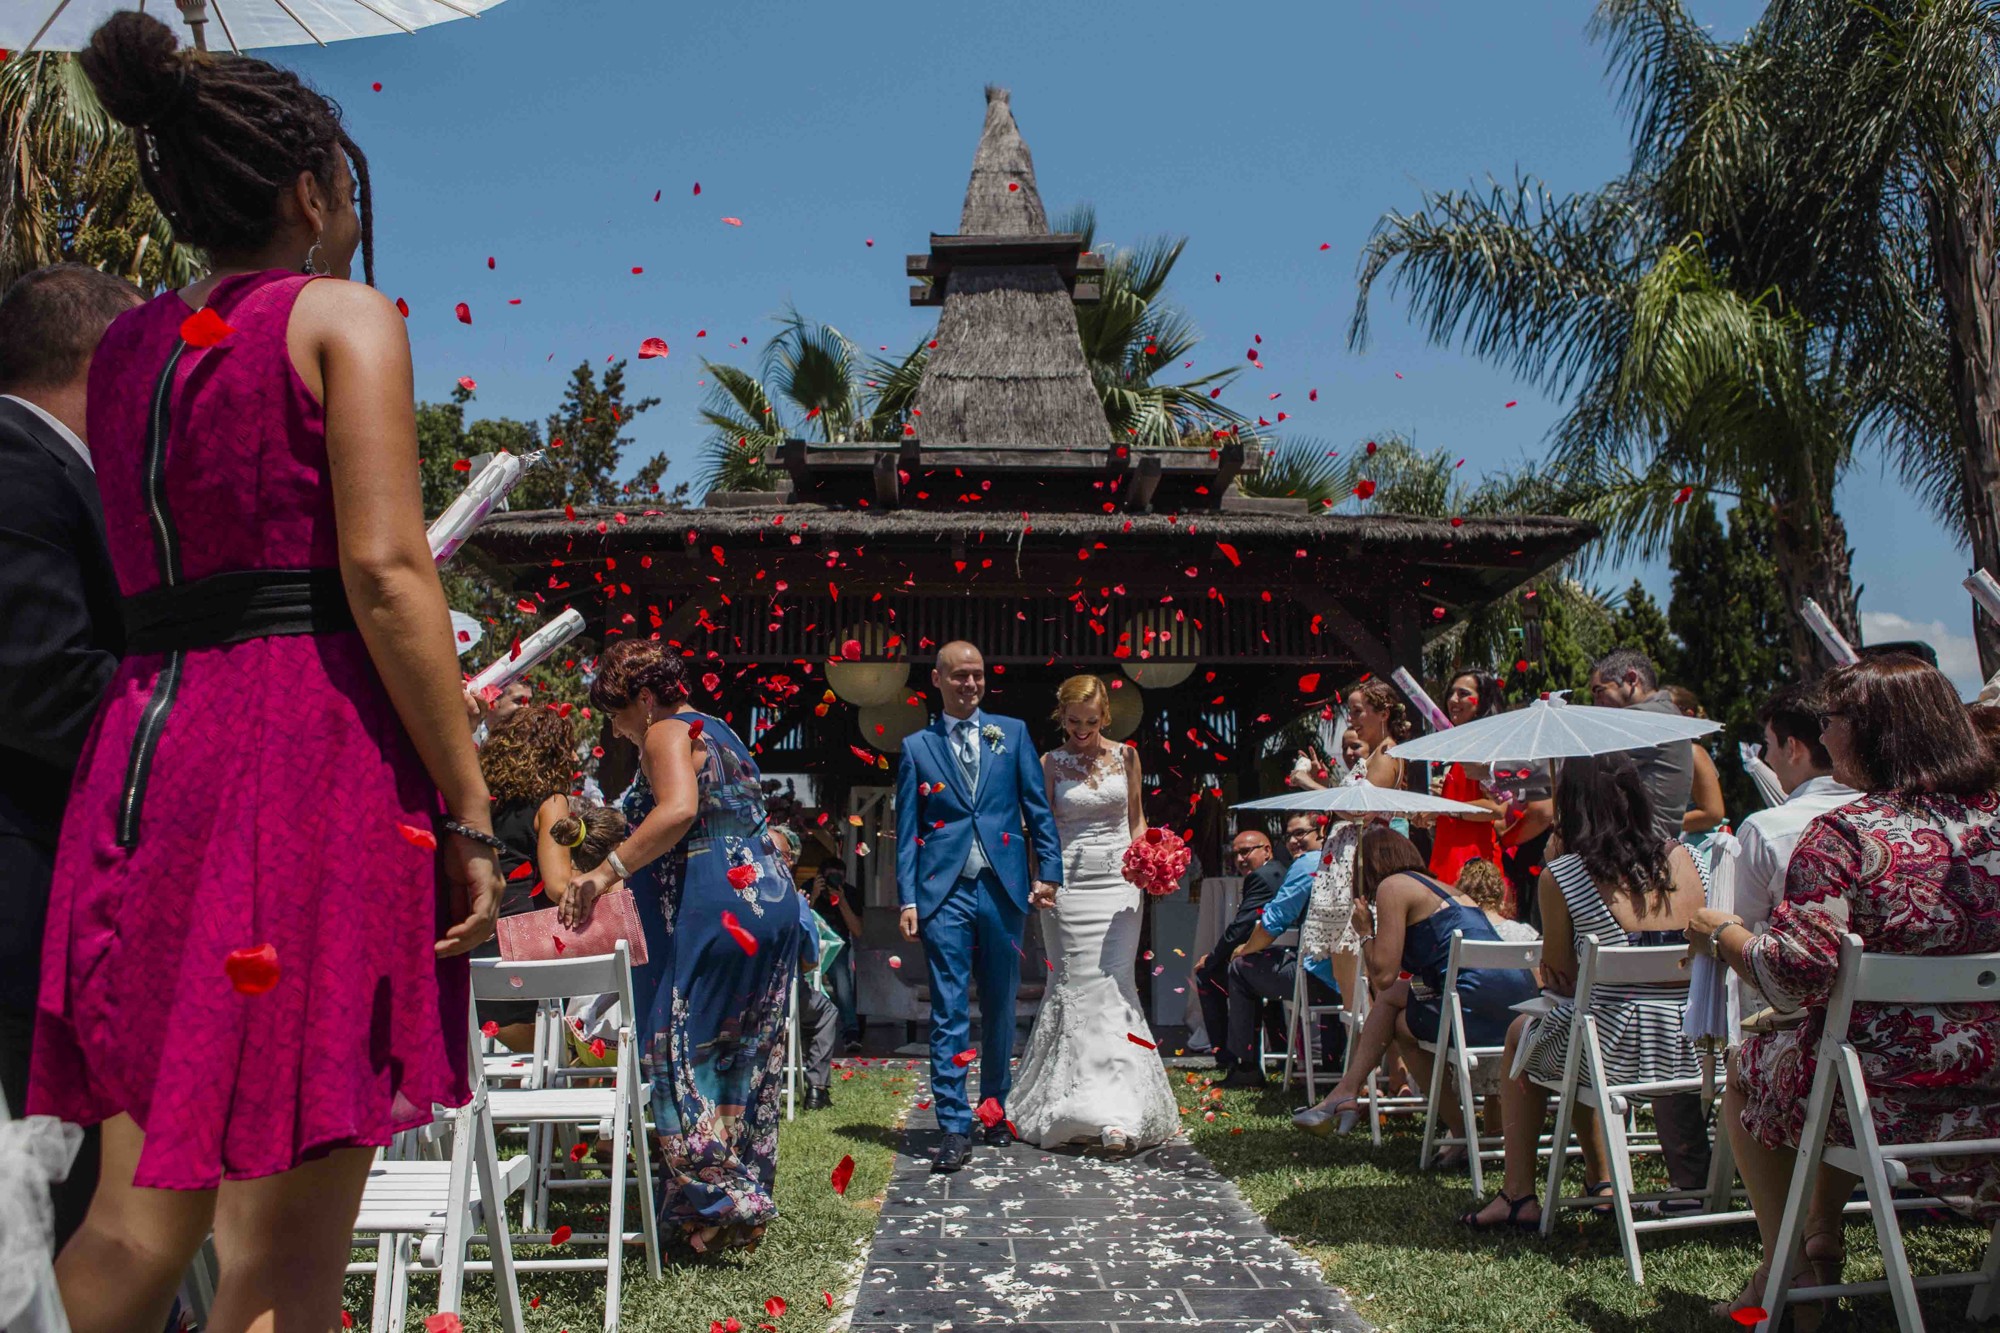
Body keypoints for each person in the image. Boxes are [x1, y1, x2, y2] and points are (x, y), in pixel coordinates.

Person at [33, 16, 505, 1331]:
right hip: (301, 756)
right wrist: (471, 810)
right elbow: (389, 573)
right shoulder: (343, 316)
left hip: (142, 764)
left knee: (131, 1230)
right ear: (312, 192)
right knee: (286, 1252)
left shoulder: (129, 347)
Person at [1690, 656, 2000, 1325]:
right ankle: (1817, 1240)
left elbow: (1794, 973)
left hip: (1886, 1092)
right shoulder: (1995, 823)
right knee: (1823, 1058)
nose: (1824, 740)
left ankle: (1791, 1272)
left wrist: (1723, 934)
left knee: (1754, 1070)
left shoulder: (1844, 836)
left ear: (1872, 731)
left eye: (1830, 722)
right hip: (1993, 1087)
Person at [566, 638, 801, 1253]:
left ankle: (732, 1198)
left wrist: (604, 871)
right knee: (736, 1055)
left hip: (715, 904)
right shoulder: (719, 728)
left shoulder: (667, 731)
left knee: (669, 1053)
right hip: (764, 902)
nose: (618, 732)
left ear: (644, 700)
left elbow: (676, 812)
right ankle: (707, 1219)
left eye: (617, 716)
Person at [0, 263, 142, 1250]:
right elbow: (43, 682)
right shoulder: (16, 467)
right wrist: (206, 721)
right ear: (110, 364)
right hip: (24, 897)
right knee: (50, 1223)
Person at [1462, 753, 1708, 1229]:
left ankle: (1517, 1195)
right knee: (1575, 1030)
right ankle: (1644, 1183)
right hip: (1693, 1042)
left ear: (1570, 805)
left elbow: (1561, 975)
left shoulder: (1566, 874)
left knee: (1528, 1032)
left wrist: (1556, 867)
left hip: (1613, 1054)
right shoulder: (1692, 858)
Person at [893, 641, 1062, 1173]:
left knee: (1000, 1003)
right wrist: (908, 898)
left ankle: (993, 1111)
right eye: (960, 676)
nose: (970, 684)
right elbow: (907, 831)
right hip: (943, 892)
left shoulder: (1010, 734)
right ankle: (951, 1124)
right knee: (947, 1008)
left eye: (978, 675)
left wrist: (1049, 872)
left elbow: (1037, 807)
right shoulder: (917, 746)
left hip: (1003, 888)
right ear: (938, 680)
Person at [1010, 675, 1180, 1152]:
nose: (1081, 730)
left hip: (1121, 885)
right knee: (1075, 984)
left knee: (1115, 984)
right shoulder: (1050, 762)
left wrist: (1152, 858)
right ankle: (1074, 1104)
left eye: (1090, 721)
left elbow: (1136, 817)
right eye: (1072, 721)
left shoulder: (1126, 756)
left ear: (1104, 717)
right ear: (1061, 716)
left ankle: (1120, 1112)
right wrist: (1041, 878)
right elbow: (1040, 827)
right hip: (1069, 883)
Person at [1293, 828, 1537, 1143]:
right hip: (1518, 1011)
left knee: (1401, 1026)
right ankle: (1346, 1090)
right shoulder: (1447, 890)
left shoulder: (1393, 886)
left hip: (1474, 1011)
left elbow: (1381, 977)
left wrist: (1365, 931)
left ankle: (1461, 1133)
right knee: (1395, 1000)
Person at [472, 704, 584, 1052]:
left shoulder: (480, 800)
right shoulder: (550, 802)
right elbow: (557, 884)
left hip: (476, 954)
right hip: (524, 964)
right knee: (580, 1038)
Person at [1223, 812, 1346, 1089]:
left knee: (1242, 969)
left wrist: (1244, 949)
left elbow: (1272, 923)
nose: (1292, 841)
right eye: (1288, 835)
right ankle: (1332, 1063)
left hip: (1322, 982)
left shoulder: (1308, 865)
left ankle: (1247, 1067)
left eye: (1300, 833)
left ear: (1322, 832)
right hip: (1359, 981)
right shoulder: (1353, 859)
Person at [1587, 648, 1726, 843]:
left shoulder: (1649, 718)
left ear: (1631, 679)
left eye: (1599, 691)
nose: (1596, 704)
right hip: (1646, 848)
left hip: (1638, 851)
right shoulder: (1660, 714)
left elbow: (1587, 758)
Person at [1194, 827, 1285, 1071]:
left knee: (1207, 976)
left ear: (1267, 850)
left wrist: (1212, 959)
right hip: (1280, 956)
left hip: (1269, 963)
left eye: (1245, 852)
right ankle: (1280, 1048)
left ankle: (1227, 1056)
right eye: (1236, 854)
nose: (1240, 860)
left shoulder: (1261, 877)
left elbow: (1241, 928)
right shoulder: (1279, 871)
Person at [773, 827, 841, 1109]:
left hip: (733, 996)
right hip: (780, 996)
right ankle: (816, 1088)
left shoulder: (732, 897)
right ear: (788, 861)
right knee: (827, 1012)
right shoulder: (796, 902)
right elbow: (812, 960)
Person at [1428, 670, 1506, 884]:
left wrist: (1446, 809)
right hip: (1448, 859)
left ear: (1482, 702)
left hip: (1472, 867)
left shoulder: (1485, 747)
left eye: (1463, 694)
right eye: (1451, 693)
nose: (1453, 699)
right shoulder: (1463, 746)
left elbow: (1497, 808)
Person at [807, 859, 864, 1052]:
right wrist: (814, 895)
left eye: (838, 876)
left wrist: (842, 902)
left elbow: (857, 930)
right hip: (811, 946)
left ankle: (851, 1033)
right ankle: (808, 1031)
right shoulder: (808, 888)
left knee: (842, 984)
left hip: (837, 948)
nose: (834, 880)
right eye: (830, 876)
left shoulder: (850, 893)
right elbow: (801, 919)